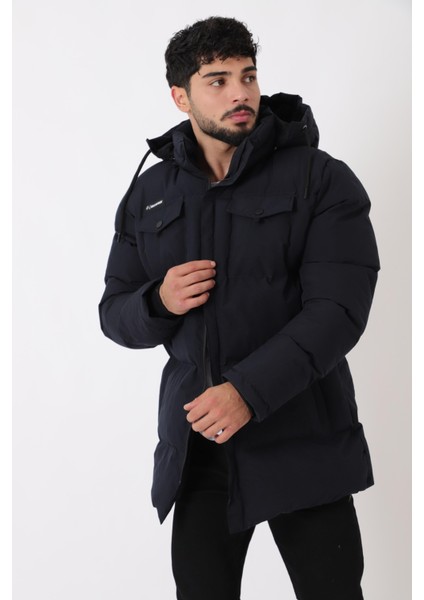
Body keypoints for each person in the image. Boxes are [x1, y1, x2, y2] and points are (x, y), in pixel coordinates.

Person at [99, 16, 380, 600]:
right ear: (180, 97)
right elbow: (113, 311)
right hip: (199, 450)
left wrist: (248, 392)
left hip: (304, 440)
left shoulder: (321, 180)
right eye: (218, 80)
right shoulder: (150, 194)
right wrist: (158, 300)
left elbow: (339, 311)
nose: (240, 93)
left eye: (248, 76)